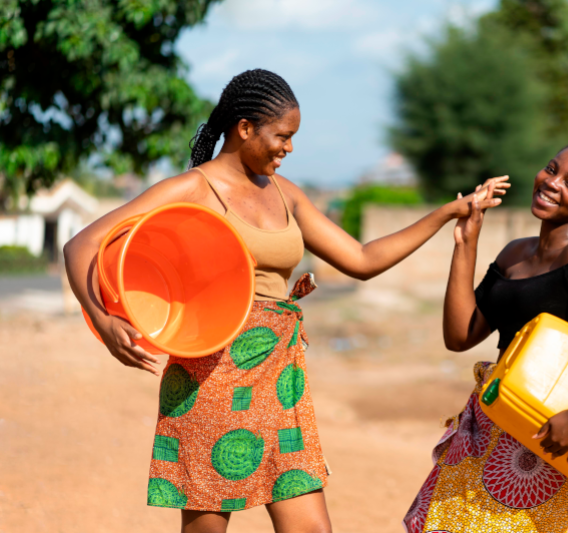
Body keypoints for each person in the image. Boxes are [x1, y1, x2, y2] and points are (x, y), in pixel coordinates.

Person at [63, 68, 509, 533]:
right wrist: (103, 319)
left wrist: (447, 213)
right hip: (209, 378)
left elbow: (360, 258)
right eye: (282, 135)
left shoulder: (285, 194)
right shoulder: (193, 189)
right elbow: (81, 246)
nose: (289, 148)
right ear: (244, 129)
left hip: (280, 380)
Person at [403, 142, 568, 533]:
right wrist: (466, 243)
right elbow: (460, 335)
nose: (552, 183)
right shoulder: (514, 254)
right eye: (551, 169)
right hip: (491, 416)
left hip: (543, 433)